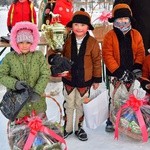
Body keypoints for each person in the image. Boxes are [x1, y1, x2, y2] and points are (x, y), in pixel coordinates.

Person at [48, 8, 102, 141]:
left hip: (85, 80)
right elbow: (53, 50)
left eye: (82, 25)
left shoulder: (93, 42)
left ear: (88, 27)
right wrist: (54, 58)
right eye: (76, 24)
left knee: (81, 104)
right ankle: (67, 127)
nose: (79, 28)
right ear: (71, 26)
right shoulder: (65, 39)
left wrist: (96, 79)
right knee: (69, 103)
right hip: (69, 80)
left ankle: (79, 127)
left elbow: (96, 61)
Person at [0, 21, 50, 149]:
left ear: (33, 42)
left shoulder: (38, 56)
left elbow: (45, 74)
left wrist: (37, 91)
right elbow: (1, 75)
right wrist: (15, 84)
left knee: (40, 140)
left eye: (28, 42)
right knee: (20, 141)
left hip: (37, 106)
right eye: (21, 42)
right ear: (15, 42)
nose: (24, 46)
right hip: (18, 108)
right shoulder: (10, 58)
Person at [102, 4, 145, 132]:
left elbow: (140, 52)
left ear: (130, 20)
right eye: (119, 20)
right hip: (115, 74)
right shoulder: (109, 36)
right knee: (114, 97)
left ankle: (128, 118)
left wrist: (137, 67)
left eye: (125, 19)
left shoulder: (136, 34)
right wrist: (118, 71)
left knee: (131, 96)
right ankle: (112, 118)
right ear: (114, 21)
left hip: (132, 72)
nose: (122, 22)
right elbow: (107, 54)